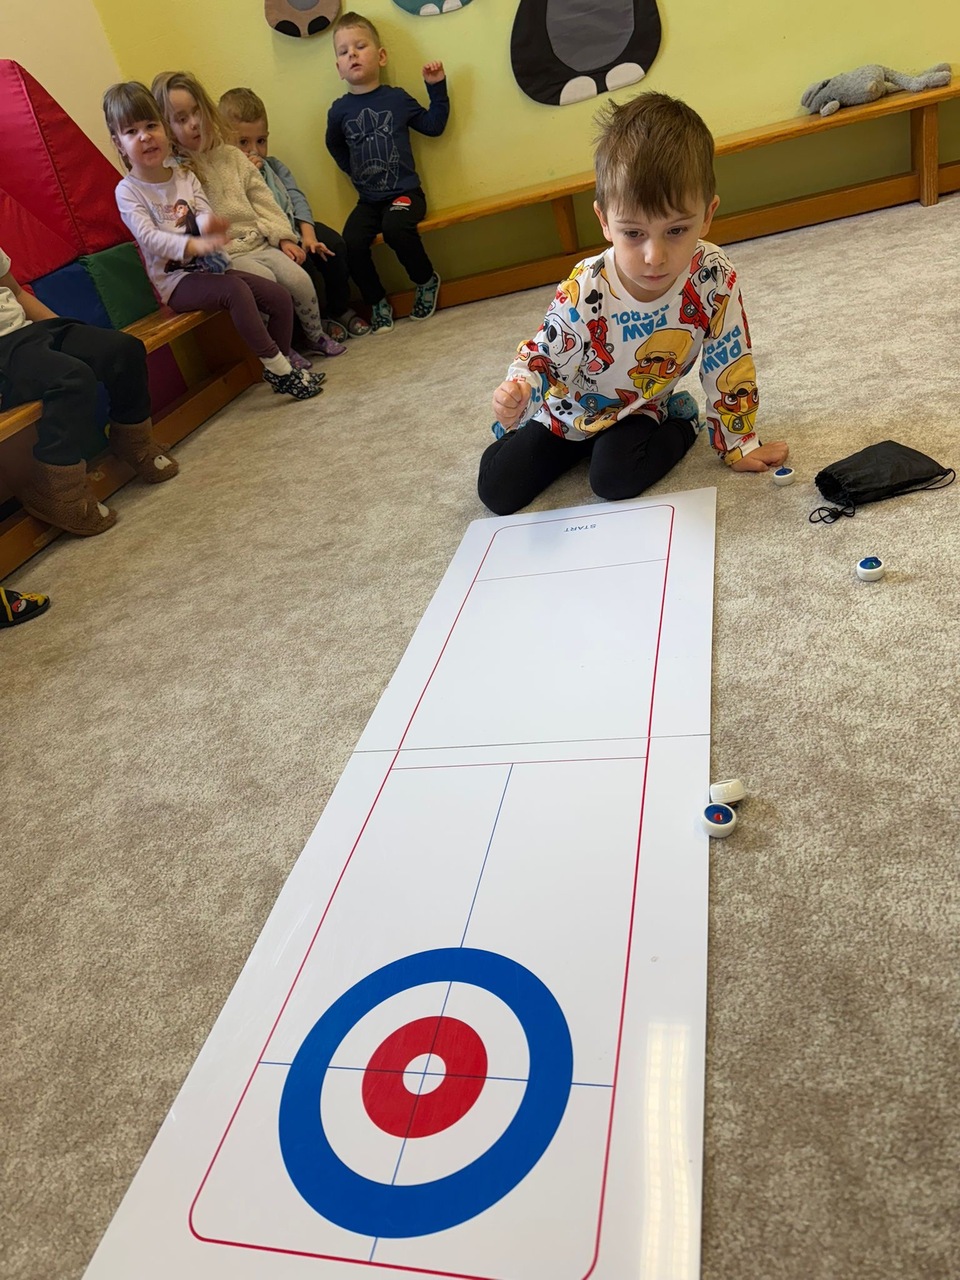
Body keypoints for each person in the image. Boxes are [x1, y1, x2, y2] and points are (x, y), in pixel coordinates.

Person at [478, 92, 789, 516]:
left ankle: (682, 421)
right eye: (633, 234)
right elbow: (546, 354)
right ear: (604, 221)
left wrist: (738, 443)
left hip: (642, 405)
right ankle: (548, 440)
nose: (654, 257)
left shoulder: (713, 277)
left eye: (676, 230)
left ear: (707, 214)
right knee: (496, 491)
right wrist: (520, 390)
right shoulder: (586, 286)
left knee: (613, 480)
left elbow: (728, 360)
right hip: (569, 410)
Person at [104, 81, 323, 401]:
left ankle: (280, 364)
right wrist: (192, 245)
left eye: (151, 126)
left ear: (164, 128)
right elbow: (149, 238)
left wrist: (210, 226)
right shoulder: (128, 191)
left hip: (210, 268)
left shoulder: (184, 175)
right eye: (131, 131)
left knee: (277, 296)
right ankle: (282, 371)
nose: (145, 136)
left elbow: (203, 212)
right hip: (177, 281)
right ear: (118, 143)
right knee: (236, 291)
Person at [151, 71, 343, 362]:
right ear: (167, 128)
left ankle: (315, 334)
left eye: (197, 112)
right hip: (231, 254)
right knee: (266, 284)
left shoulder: (232, 156)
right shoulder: (177, 172)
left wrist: (284, 238)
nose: (194, 123)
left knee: (299, 279)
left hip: (260, 242)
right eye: (181, 119)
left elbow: (262, 199)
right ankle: (280, 349)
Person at [0, 246, 178, 536]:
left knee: (123, 349)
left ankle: (132, 439)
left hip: (28, 332)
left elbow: (16, 293)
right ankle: (57, 489)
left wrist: (65, 330)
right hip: (4, 354)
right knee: (72, 379)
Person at [326, 12, 449, 334]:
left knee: (396, 228)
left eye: (360, 46)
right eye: (343, 51)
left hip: (405, 194)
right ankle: (376, 300)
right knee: (351, 242)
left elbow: (433, 126)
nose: (352, 54)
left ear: (381, 56)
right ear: (338, 68)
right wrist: (352, 171)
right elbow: (334, 145)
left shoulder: (397, 99)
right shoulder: (339, 111)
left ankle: (425, 280)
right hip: (368, 201)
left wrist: (436, 87)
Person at [219, 86, 363, 342]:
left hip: (295, 228)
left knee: (334, 246)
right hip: (268, 239)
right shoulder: (226, 177)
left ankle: (339, 308)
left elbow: (296, 198)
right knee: (303, 265)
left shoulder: (274, 166)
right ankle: (316, 322)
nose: (254, 150)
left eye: (261, 141)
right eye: (243, 142)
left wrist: (308, 235)